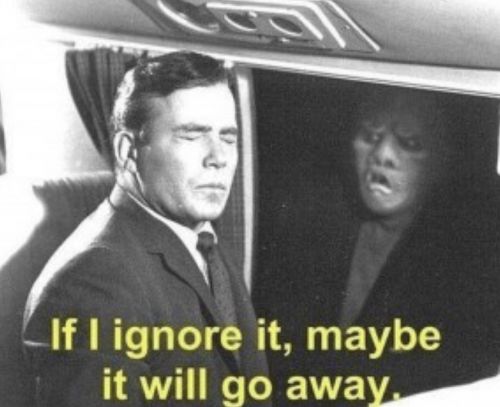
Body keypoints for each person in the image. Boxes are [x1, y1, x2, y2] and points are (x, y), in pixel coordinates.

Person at [23, 51, 270, 406]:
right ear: (128, 151)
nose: (219, 158)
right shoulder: (92, 283)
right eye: (192, 135)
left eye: (228, 138)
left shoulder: (201, 239)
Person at [253, 86, 500, 405]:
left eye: (409, 144)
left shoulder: (464, 266)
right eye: (370, 136)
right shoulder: (312, 231)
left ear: (441, 162)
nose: (383, 155)